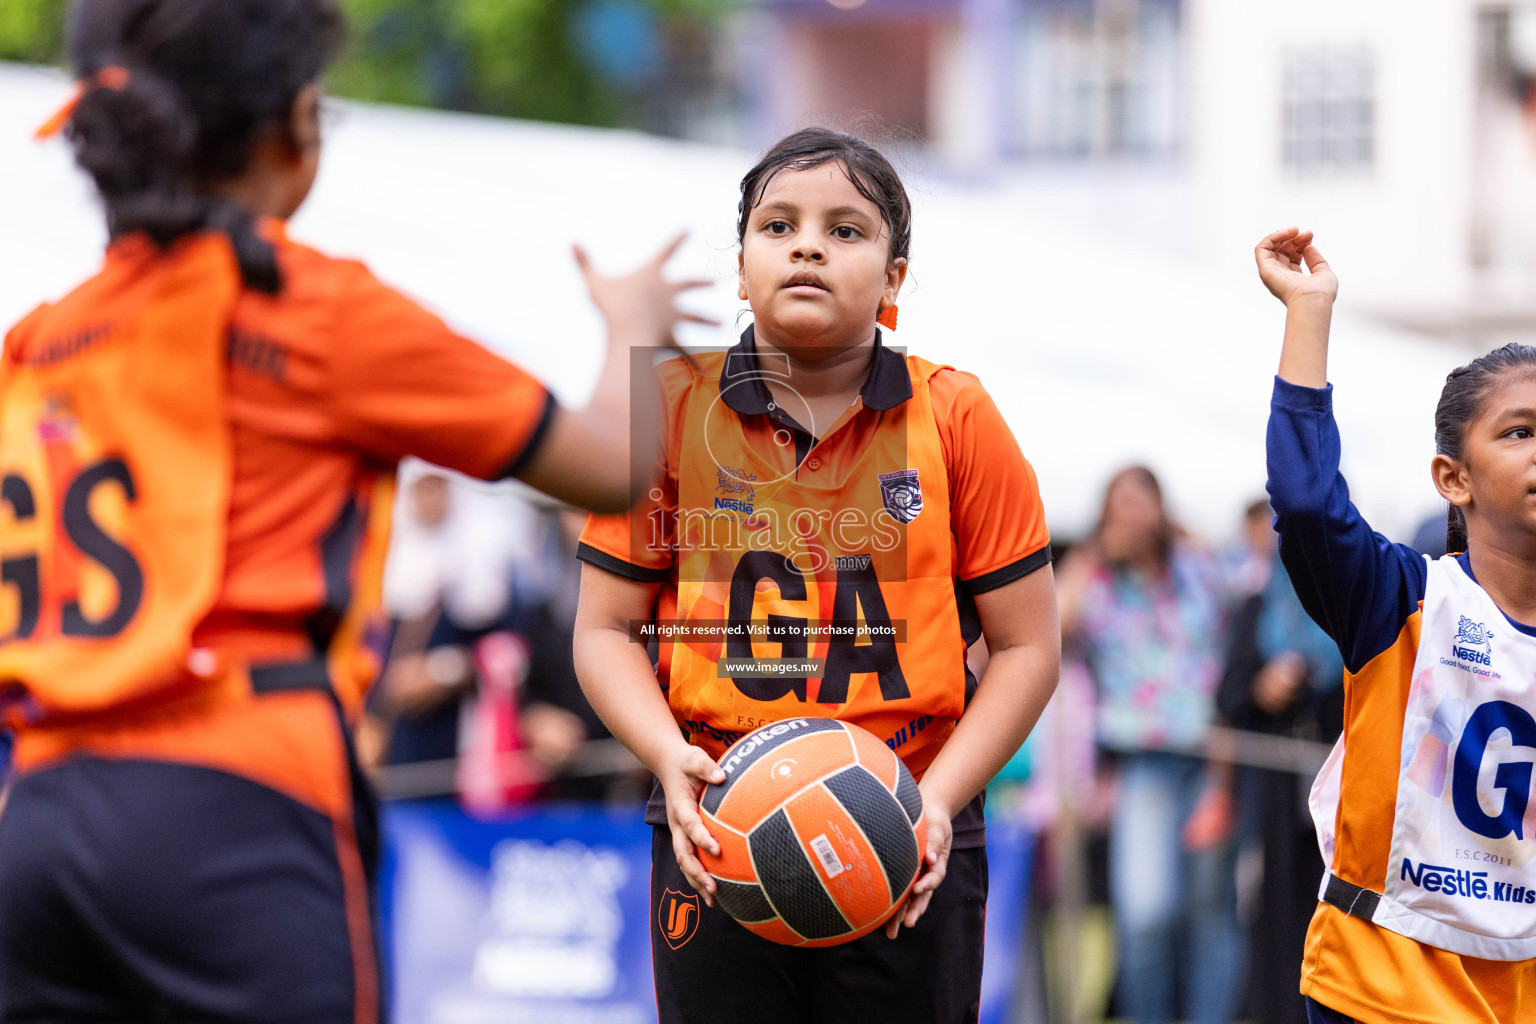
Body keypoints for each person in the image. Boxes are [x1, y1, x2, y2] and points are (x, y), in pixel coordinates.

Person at [0, 1, 706, 1021]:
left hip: (39, 822)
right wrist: (635, 328)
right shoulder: (310, 310)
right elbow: (613, 467)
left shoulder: (38, 346)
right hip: (233, 808)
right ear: (296, 125)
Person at [572, 127, 1061, 1023]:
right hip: (716, 824)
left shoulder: (957, 414)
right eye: (778, 225)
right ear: (742, 266)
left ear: (895, 278)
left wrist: (938, 805)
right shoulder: (671, 409)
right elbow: (603, 631)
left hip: (909, 829)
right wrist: (666, 760)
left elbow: (1030, 647)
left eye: (847, 230)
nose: (807, 245)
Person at [1255, 226, 1536, 1024]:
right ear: (1454, 478)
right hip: (1378, 987)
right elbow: (1308, 505)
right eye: (1520, 431)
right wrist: (1309, 309)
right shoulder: (1404, 601)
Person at [1055, 466, 1246, 1024]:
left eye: (1143, 503)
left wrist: (1188, 536)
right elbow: (1050, 627)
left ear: (1162, 508)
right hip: (1141, 765)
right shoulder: (1099, 582)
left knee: (1210, 915)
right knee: (1144, 915)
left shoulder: (1198, 569)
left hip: (1217, 761)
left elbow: (1251, 591)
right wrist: (1092, 551)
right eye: (1119, 505)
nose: (1132, 515)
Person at [1217, 501, 1344, 1024]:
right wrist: (1260, 687)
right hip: (1272, 790)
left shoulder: (1349, 601)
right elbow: (1227, 693)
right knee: (1275, 908)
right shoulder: (1255, 605)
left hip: (1339, 784)